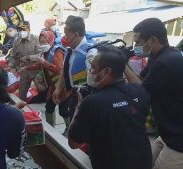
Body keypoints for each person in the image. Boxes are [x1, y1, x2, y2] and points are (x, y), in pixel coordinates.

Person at [68, 45, 152, 169]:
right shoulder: (139, 90)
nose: (89, 71)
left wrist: (78, 108)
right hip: (143, 162)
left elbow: (74, 143)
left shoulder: (92, 102)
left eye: (93, 67)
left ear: (106, 71)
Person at [124, 18, 183, 169]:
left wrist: (122, 64)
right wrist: (124, 59)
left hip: (178, 139)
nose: (136, 47)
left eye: (138, 42)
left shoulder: (165, 62)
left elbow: (141, 91)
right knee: (144, 162)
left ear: (152, 40)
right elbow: (139, 80)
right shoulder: (159, 56)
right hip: (168, 132)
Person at [52, 15, 99, 119]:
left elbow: (96, 79)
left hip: (86, 98)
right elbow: (64, 69)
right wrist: (58, 88)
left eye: (66, 35)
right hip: (72, 94)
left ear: (76, 34)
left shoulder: (90, 51)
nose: (63, 38)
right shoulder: (69, 50)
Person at [27, 31, 70, 135]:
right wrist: (26, 67)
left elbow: (59, 69)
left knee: (63, 110)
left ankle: (69, 130)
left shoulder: (57, 51)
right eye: (41, 42)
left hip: (61, 85)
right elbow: (41, 65)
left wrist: (43, 62)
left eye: (44, 41)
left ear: (51, 40)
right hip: (53, 86)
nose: (42, 44)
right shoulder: (45, 52)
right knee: (49, 107)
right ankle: (51, 130)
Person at [8, 21, 43, 101]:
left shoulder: (36, 39)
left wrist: (28, 57)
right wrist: (10, 65)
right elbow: (13, 56)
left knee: (43, 90)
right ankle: (22, 111)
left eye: (24, 29)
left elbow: (41, 55)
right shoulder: (16, 42)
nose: (22, 31)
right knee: (21, 95)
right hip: (24, 71)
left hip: (36, 71)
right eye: (20, 29)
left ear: (29, 29)